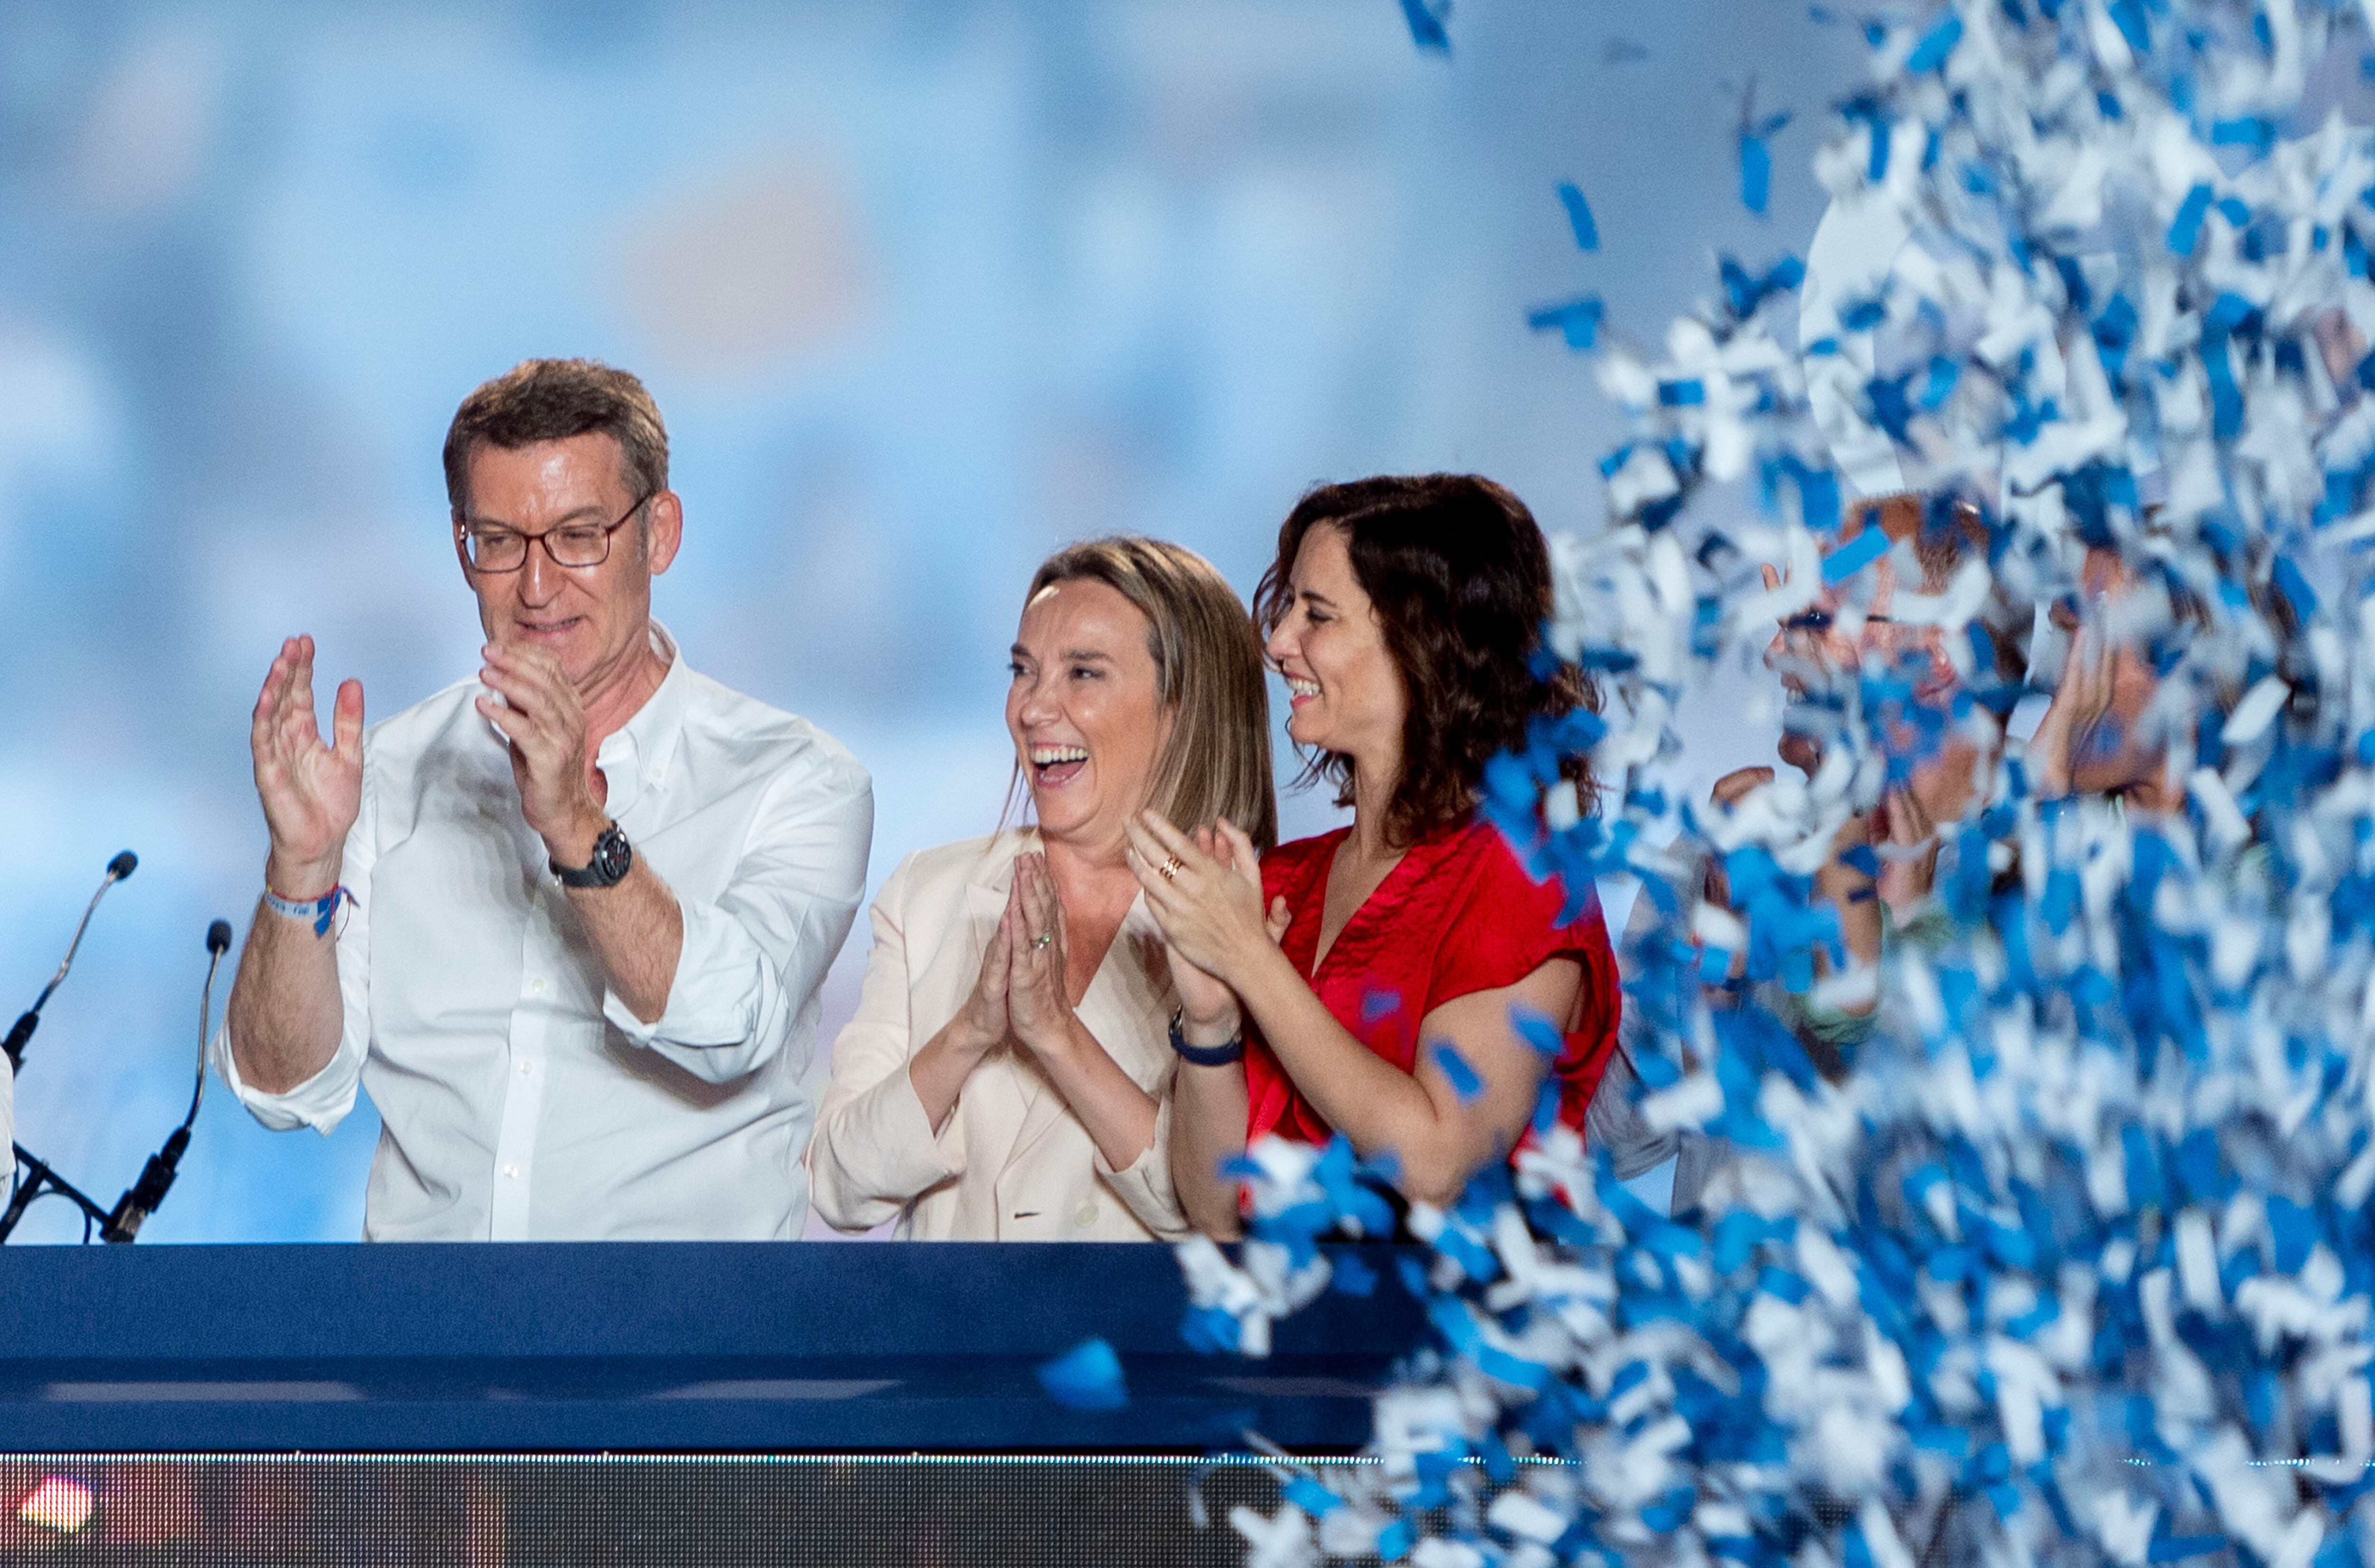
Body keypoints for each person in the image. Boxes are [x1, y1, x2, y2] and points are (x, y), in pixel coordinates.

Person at [214, 358, 873, 1240]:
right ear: (462, 549)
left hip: (692, 1355)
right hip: (429, 1349)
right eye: (499, 540)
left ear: (661, 534)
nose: (535, 585)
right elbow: (284, 1089)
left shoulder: (797, 779)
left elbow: (732, 1030)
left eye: (578, 535)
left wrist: (574, 825)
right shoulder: (389, 771)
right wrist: (299, 869)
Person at [1128, 475, 1622, 1237]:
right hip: (1282, 1345)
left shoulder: (1525, 874)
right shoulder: (1289, 878)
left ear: (1424, 641)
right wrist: (1211, 1019)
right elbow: (1218, 1209)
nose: (1277, 642)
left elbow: (1434, 1164)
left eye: (1315, 615)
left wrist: (1250, 961)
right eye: (1287, 606)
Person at [808, 538, 1274, 1240]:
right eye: (1023, 671)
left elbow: (1219, 1215)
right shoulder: (927, 894)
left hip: (1134, 1348)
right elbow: (839, 1184)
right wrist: (970, 1030)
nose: (1032, 708)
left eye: (1083, 673)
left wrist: (1056, 1034)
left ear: (1182, 707)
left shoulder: (1257, 916)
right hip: (950, 1345)